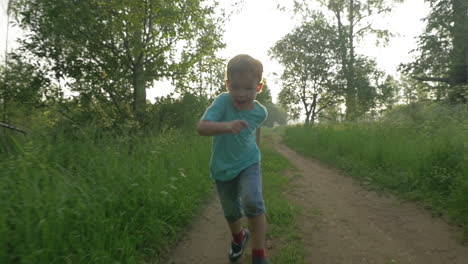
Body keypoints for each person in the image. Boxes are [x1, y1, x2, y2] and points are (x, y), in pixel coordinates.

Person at [196, 54, 269, 264]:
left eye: (248, 88)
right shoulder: (222, 102)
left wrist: (257, 152)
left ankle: (259, 253)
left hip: (249, 163)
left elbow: (255, 129)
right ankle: (239, 237)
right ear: (227, 84)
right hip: (223, 167)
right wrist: (227, 126)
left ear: (259, 87)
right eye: (235, 87)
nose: (241, 94)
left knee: (253, 202)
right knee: (231, 211)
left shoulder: (260, 112)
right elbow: (201, 128)